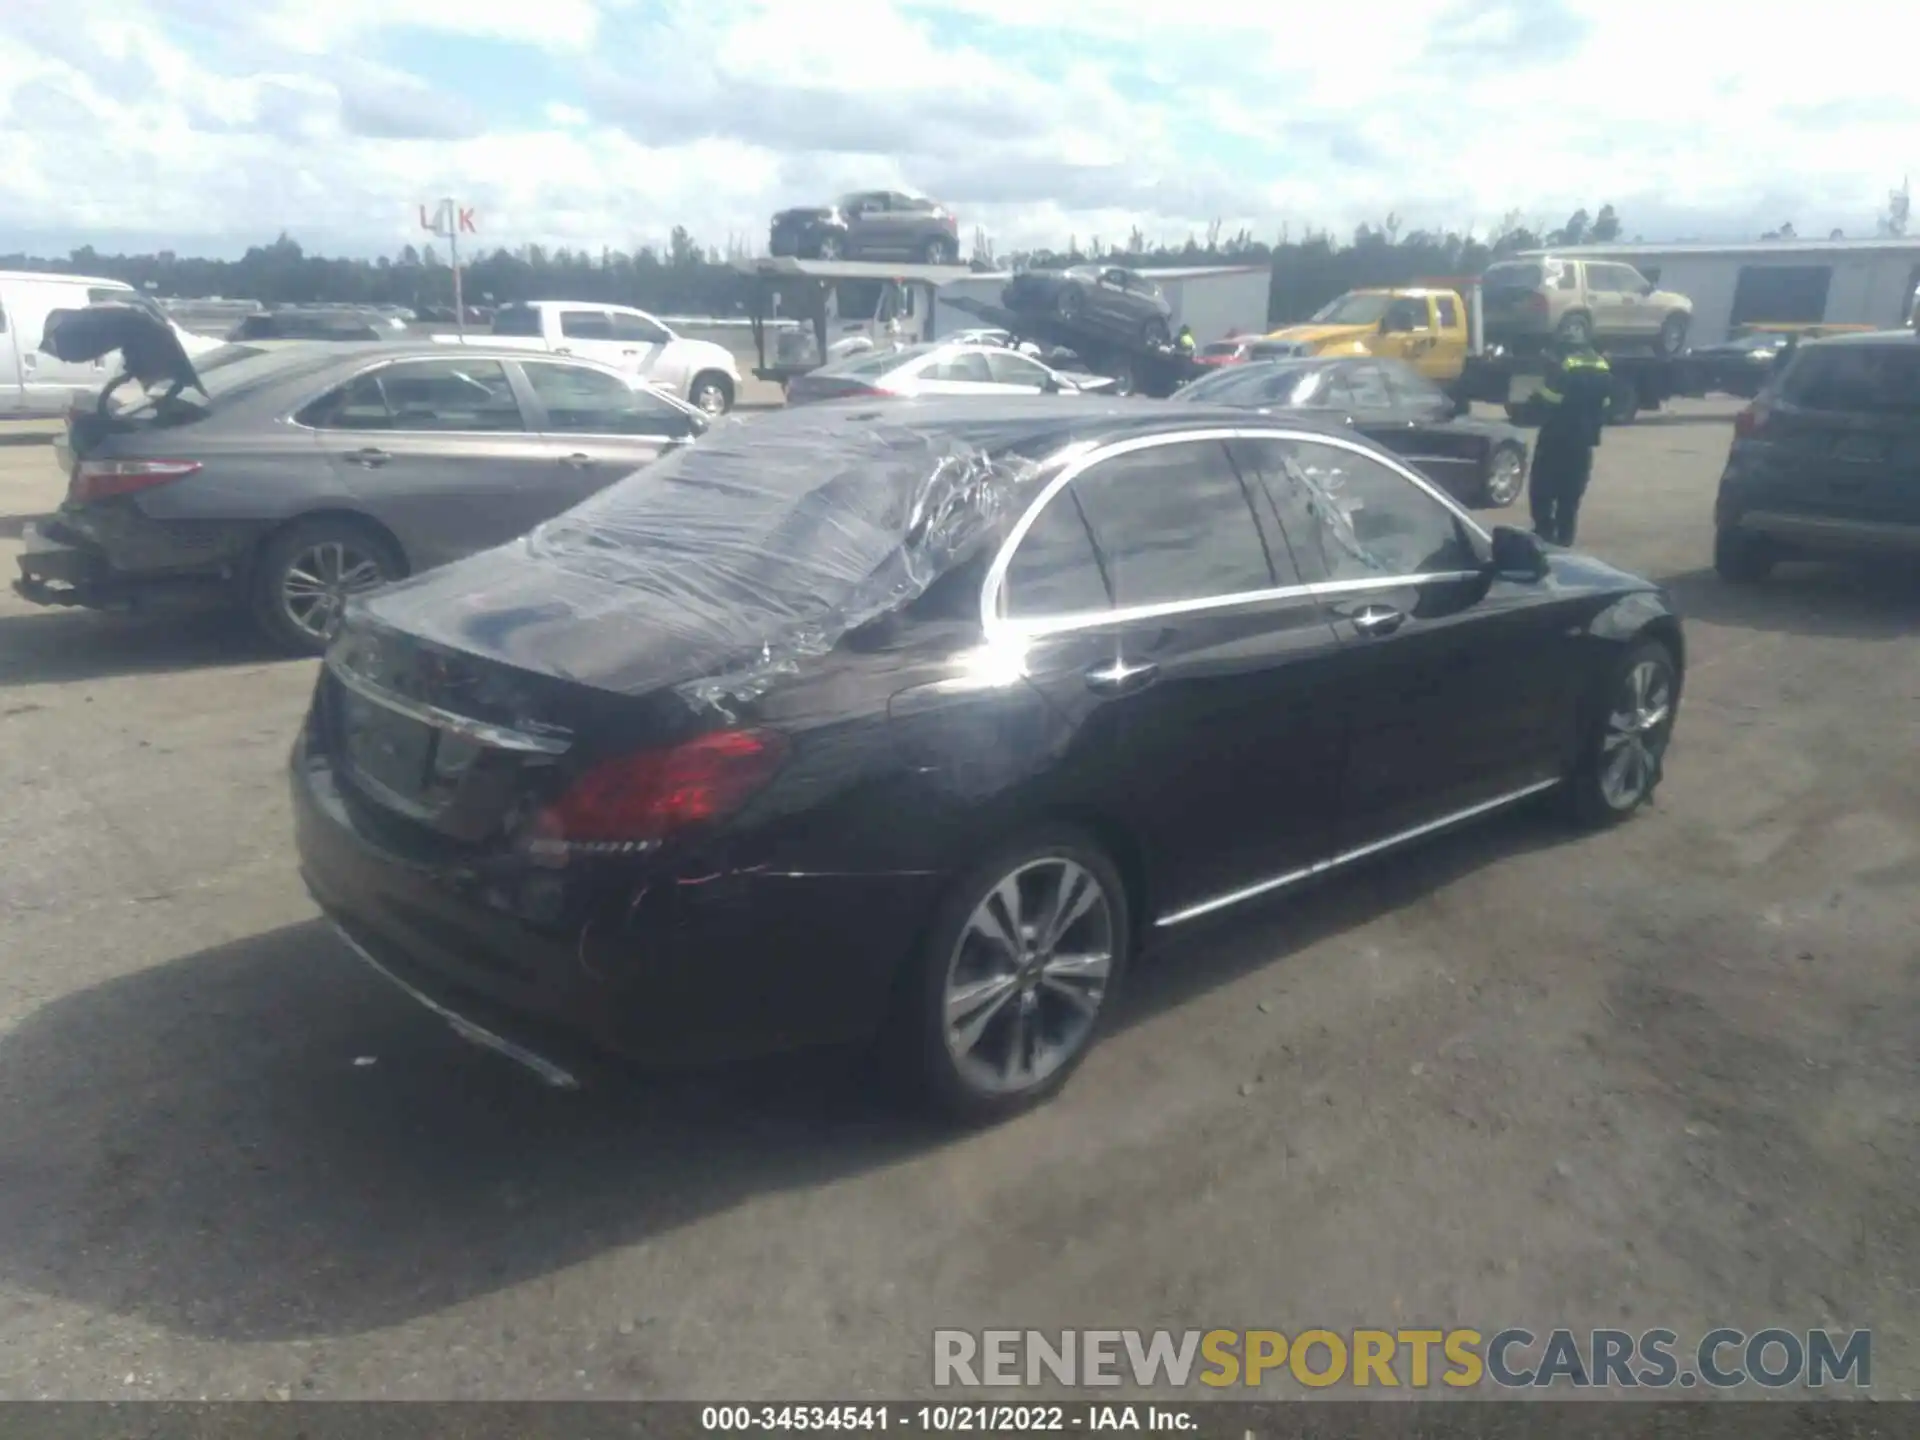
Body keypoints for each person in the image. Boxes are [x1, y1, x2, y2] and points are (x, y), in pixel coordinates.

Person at [1525, 338, 1612, 547]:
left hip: (1555, 439)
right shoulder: (1602, 367)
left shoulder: (1563, 365)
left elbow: (1550, 400)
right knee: (1570, 499)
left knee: (1541, 491)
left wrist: (1532, 402)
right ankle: (1565, 541)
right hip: (1583, 443)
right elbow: (1606, 405)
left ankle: (1544, 533)